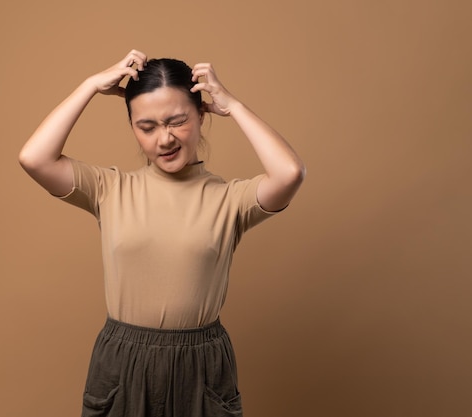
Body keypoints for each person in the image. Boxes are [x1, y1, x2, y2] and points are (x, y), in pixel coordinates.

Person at [19, 49, 305, 417]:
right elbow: (34, 158)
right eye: (147, 127)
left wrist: (233, 105)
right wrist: (90, 85)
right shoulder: (110, 189)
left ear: (202, 115)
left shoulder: (230, 199)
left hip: (202, 363)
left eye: (177, 121)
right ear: (133, 128)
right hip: (123, 359)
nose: (164, 139)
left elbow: (289, 174)